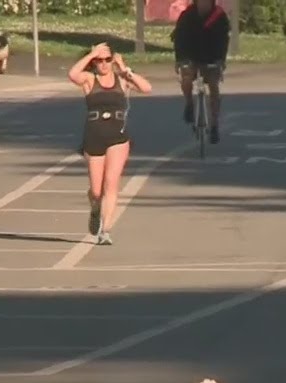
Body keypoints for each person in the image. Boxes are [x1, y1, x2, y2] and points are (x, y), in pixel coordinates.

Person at [67, 43, 152, 246]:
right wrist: (91, 54)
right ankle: (95, 209)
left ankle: (106, 230)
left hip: (118, 137)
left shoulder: (122, 79)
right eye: (99, 60)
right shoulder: (89, 80)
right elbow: (73, 74)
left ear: (113, 60)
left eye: (107, 59)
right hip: (94, 134)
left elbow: (147, 88)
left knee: (111, 184)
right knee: (96, 191)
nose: (103, 64)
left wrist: (125, 70)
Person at [172, 0, 231, 144]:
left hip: (212, 58)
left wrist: (220, 60)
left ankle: (214, 124)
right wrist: (180, 60)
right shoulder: (187, 15)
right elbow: (179, 38)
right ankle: (189, 104)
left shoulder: (219, 16)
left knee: (213, 85)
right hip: (191, 57)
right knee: (186, 77)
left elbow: (224, 40)